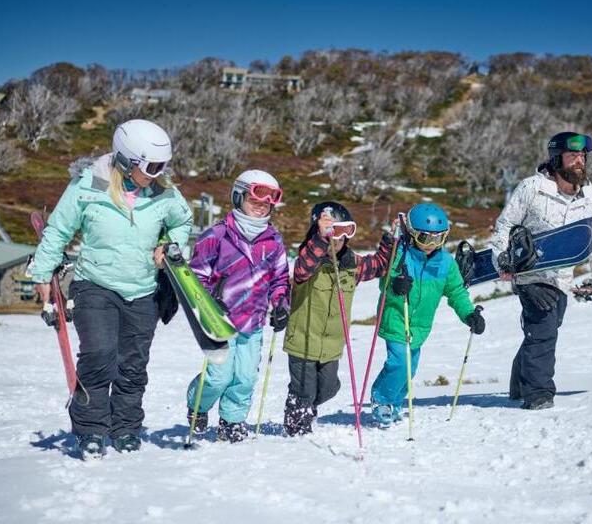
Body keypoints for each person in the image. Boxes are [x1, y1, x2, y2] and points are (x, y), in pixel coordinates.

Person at [31, 119, 193, 458]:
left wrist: (170, 245)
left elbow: (182, 222)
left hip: (143, 290)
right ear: (126, 159)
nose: (158, 174)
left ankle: (126, 428)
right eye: (151, 167)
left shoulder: (164, 191)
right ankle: (91, 428)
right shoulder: (88, 186)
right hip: (95, 285)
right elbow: (58, 231)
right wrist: (43, 275)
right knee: (100, 355)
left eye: (163, 166)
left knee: (133, 364)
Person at [492, 131, 592, 411]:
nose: (579, 161)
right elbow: (505, 226)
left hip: (562, 279)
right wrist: (502, 261)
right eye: (572, 156)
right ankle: (538, 393)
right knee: (544, 330)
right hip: (530, 275)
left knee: (544, 329)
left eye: (582, 156)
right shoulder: (532, 189)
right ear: (557, 158)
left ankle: (519, 383)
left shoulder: (591, 197)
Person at [185, 169, 290, 443]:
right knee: (218, 377)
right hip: (219, 320)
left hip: (253, 321)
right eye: (255, 198)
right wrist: (209, 300)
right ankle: (197, 405)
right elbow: (195, 276)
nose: (261, 205)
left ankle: (232, 421)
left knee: (245, 377)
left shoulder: (274, 241)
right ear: (238, 196)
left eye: (268, 201)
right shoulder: (217, 236)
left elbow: (280, 279)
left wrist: (280, 303)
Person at [282, 202, 395, 436]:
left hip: (332, 345)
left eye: (343, 232)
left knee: (329, 388)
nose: (337, 239)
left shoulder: (352, 265)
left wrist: (390, 239)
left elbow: (380, 265)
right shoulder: (308, 262)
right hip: (303, 341)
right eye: (331, 233)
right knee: (304, 390)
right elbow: (302, 269)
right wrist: (320, 239)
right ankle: (296, 428)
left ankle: (306, 405)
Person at [370, 203, 485, 428]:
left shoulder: (446, 263)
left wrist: (469, 314)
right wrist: (395, 285)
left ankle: (395, 401)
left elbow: (456, 292)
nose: (431, 245)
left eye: (438, 239)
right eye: (425, 238)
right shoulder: (399, 254)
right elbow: (384, 284)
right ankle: (381, 400)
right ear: (413, 234)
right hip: (396, 317)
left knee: (410, 369)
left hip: (420, 327)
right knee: (399, 362)